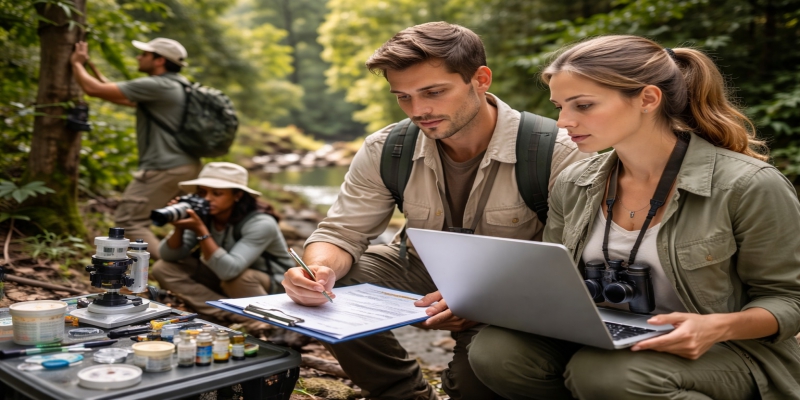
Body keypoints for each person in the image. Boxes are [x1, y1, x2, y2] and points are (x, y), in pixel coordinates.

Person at [468, 35, 800, 400]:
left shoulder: (749, 185)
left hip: (730, 350)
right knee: (496, 351)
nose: (563, 122)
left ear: (647, 99)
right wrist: (479, 293)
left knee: (604, 375)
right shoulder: (574, 181)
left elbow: (788, 300)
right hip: (607, 338)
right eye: (560, 106)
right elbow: (555, 282)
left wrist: (714, 327)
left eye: (583, 105)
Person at [281, 22, 590, 400]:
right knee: (328, 293)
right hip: (420, 269)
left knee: (478, 380)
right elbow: (340, 232)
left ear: (480, 79)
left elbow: (582, 266)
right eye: (403, 97)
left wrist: (486, 301)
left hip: (516, 292)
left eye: (433, 92)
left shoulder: (558, 152)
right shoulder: (386, 149)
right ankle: (403, 393)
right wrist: (317, 271)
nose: (418, 110)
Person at [71, 38, 201, 259]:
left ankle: (169, 267)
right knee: (183, 221)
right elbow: (119, 95)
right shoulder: (179, 85)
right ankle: (186, 270)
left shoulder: (157, 85)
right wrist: (91, 67)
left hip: (164, 167)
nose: (139, 57)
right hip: (188, 166)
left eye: (145, 54)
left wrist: (76, 63)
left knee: (129, 222)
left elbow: (94, 90)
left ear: (159, 60)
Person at [151, 162, 294, 324]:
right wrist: (179, 227)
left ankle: (265, 320)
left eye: (217, 193)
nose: (207, 199)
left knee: (239, 278)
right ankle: (233, 315)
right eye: (202, 192)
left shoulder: (261, 223)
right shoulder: (204, 214)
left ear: (237, 195)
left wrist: (201, 230)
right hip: (225, 277)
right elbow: (168, 255)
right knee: (163, 268)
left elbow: (229, 271)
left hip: (273, 286)